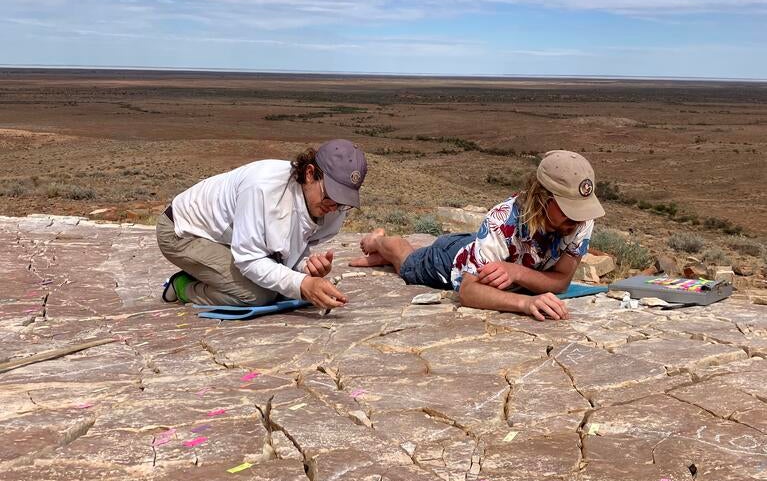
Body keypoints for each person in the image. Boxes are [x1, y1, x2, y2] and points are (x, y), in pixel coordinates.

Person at [350, 150, 604, 321]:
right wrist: (525, 304)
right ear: (542, 198)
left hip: (486, 252)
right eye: (569, 211)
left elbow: (561, 281)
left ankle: (385, 251)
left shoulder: (580, 220)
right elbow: (469, 291)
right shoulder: (502, 221)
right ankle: (379, 240)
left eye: (581, 211)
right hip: (449, 259)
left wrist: (515, 272)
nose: (577, 220)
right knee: (407, 262)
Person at [157, 139, 367, 310]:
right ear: (310, 174)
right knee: (258, 295)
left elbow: (285, 250)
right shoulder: (263, 188)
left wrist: (306, 267)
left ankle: (213, 274)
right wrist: (301, 283)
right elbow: (249, 259)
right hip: (184, 232)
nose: (335, 207)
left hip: (231, 240)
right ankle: (183, 286)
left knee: (279, 286)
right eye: (331, 196)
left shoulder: (331, 206)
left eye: (343, 201)